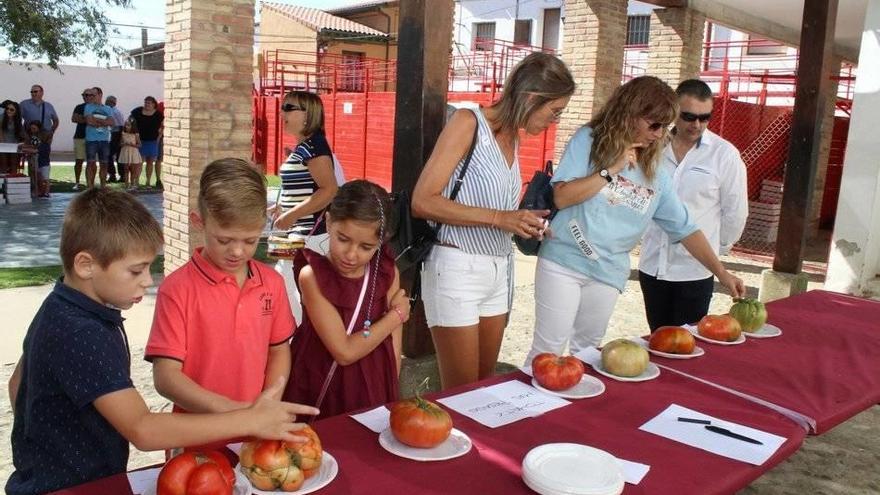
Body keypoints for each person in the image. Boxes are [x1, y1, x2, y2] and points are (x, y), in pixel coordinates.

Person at [6, 187, 318, 495]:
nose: (147, 280)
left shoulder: (60, 306)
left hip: (58, 477)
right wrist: (249, 421)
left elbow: (18, 383)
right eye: (136, 270)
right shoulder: (81, 332)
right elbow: (143, 429)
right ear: (86, 265)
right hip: (68, 486)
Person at [524, 76, 746, 364]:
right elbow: (562, 197)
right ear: (630, 113)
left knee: (588, 352)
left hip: (607, 271)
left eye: (664, 127)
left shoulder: (655, 170)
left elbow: (685, 228)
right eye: (653, 125)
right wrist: (610, 169)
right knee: (547, 350)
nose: (658, 134)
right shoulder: (589, 140)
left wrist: (722, 272)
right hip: (564, 260)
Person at [412, 52, 574, 389]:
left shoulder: (513, 137)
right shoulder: (468, 122)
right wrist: (501, 218)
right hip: (457, 267)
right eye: (554, 111)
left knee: (484, 387)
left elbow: (492, 207)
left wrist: (523, 222)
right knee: (461, 393)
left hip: (498, 270)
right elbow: (422, 201)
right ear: (531, 98)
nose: (554, 121)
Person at [146, 158, 297, 448]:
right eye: (224, 240)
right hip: (196, 437)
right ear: (198, 221)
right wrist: (236, 413)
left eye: (251, 240)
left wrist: (269, 401)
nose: (237, 251)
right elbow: (166, 378)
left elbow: (279, 350)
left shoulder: (272, 284)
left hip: (255, 434)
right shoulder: (177, 289)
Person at [282, 180, 408, 419]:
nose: (351, 255)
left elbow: (394, 342)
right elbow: (344, 351)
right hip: (321, 380)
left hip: (374, 378)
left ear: (381, 242)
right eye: (343, 239)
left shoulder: (386, 272)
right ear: (329, 222)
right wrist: (397, 316)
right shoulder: (313, 277)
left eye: (366, 247)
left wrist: (391, 381)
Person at [638, 79, 749, 331]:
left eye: (705, 117)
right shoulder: (652, 147)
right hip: (652, 265)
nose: (697, 124)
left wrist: (716, 251)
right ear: (674, 112)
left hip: (694, 271)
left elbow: (736, 212)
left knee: (686, 344)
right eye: (688, 117)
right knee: (657, 338)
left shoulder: (724, 155)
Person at [271, 91, 341, 321]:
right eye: (283, 107)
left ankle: (301, 350)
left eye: (290, 108)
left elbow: (329, 190)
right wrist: (283, 206)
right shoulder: (307, 147)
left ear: (308, 115)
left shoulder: (314, 147)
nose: (283, 113)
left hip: (310, 238)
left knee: (298, 302)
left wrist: (292, 214)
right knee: (288, 294)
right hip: (299, 237)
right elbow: (305, 188)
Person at [18, 85, 59, 171]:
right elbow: (17, 120)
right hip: (30, 135)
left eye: (35, 91)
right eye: (32, 92)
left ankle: (44, 180)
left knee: (44, 158)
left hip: (45, 136)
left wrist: (51, 132)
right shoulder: (24, 104)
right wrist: (24, 134)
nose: (33, 94)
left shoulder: (48, 105)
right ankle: (33, 181)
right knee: (32, 158)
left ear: (42, 93)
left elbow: (55, 120)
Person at [130, 96, 164, 189]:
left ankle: (148, 182)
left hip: (153, 141)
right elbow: (130, 121)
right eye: (145, 102)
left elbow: (162, 126)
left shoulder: (158, 114)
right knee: (139, 162)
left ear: (154, 104)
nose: (146, 104)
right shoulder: (138, 111)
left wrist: (159, 137)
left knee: (150, 162)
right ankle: (136, 182)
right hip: (141, 141)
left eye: (149, 103)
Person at [84, 87, 114, 188]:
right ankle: (90, 187)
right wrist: (104, 122)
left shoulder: (108, 108)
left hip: (104, 140)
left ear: (100, 95)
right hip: (91, 139)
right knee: (91, 163)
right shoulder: (88, 107)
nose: (91, 97)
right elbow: (89, 121)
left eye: (93, 95)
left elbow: (111, 122)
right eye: (90, 95)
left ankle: (103, 186)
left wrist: (97, 121)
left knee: (104, 163)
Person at [70, 89, 92, 190]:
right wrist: (88, 119)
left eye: (88, 95)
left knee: (90, 162)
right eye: (84, 95)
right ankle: (77, 182)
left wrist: (84, 118)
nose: (85, 97)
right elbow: (74, 118)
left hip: (92, 137)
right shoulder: (79, 107)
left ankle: (89, 183)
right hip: (79, 136)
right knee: (79, 160)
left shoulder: (96, 108)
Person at [24, 120, 51, 197]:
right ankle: (39, 191)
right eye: (31, 129)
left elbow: (35, 150)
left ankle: (46, 192)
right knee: (38, 177)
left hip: (44, 164)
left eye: (34, 129)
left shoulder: (45, 145)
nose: (32, 131)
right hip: (37, 162)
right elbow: (32, 146)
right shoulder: (34, 138)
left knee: (45, 178)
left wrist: (24, 149)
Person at [118, 118, 143, 191]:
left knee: (133, 170)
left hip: (133, 152)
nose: (126, 126)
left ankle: (132, 184)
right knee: (126, 169)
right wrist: (124, 143)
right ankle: (126, 184)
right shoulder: (123, 133)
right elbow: (120, 143)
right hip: (125, 152)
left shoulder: (136, 134)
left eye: (128, 125)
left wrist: (133, 145)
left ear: (132, 126)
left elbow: (139, 145)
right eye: (125, 125)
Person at [1, 100, 24, 174]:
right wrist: (4, 146)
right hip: (3, 144)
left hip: (14, 144)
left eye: (12, 109)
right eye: (7, 109)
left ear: (16, 112)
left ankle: (13, 181)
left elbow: (21, 133)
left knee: (14, 164)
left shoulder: (18, 120)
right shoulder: (1, 117)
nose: (8, 111)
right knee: (3, 163)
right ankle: (3, 182)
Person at [106, 95, 125, 183]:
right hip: (113, 134)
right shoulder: (112, 111)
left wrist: (120, 138)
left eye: (107, 101)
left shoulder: (116, 112)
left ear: (112, 103)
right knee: (115, 156)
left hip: (116, 134)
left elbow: (121, 125)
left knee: (111, 155)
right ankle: (118, 175)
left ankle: (115, 175)